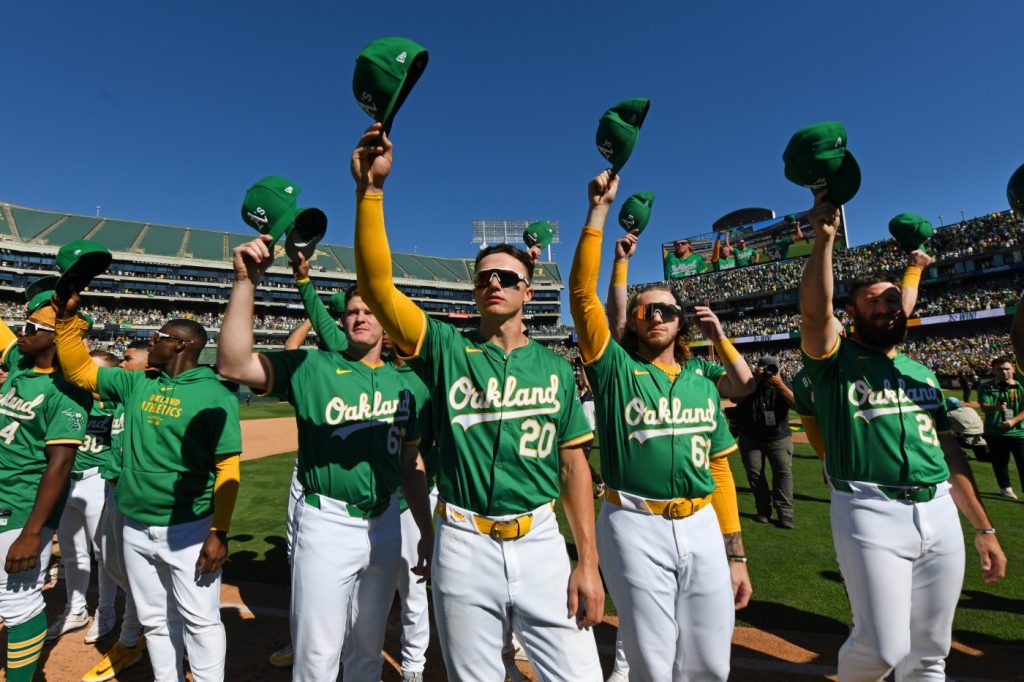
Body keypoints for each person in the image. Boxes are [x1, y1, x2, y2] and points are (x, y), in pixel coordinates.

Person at [352, 122, 604, 681]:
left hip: (540, 539)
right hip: (464, 540)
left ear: (527, 290)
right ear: (475, 289)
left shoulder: (557, 370)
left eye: (508, 277)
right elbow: (376, 287)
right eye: (485, 275)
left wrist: (586, 559)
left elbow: (573, 466)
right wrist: (371, 193)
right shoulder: (443, 348)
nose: (495, 282)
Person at [800, 190, 1005, 680]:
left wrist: (983, 526)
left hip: (938, 508)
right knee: (882, 648)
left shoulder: (921, 374)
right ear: (849, 313)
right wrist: (823, 244)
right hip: (870, 509)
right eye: (873, 300)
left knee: (932, 650)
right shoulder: (835, 362)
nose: (888, 306)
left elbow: (948, 452)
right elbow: (814, 313)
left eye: (894, 300)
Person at [217, 242, 432, 682]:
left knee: (368, 648)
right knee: (317, 654)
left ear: (387, 321)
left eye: (370, 310)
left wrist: (426, 533)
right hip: (328, 521)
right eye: (352, 310)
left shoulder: (411, 385)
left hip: (387, 522)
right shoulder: (311, 366)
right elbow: (234, 364)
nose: (359, 316)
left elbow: (411, 463)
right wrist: (245, 282)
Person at [570, 169, 751, 682]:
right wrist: (599, 215)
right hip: (633, 523)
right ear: (634, 321)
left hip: (701, 525)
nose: (656, 316)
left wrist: (735, 551)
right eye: (646, 310)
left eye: (667, 309)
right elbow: (584, 298)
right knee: (651, 659)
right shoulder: (616, 372)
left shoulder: (699, 380)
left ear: (681, 321)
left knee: (713, 664)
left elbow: (719, 471)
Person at [55, 293, 242, 682]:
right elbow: (78, 371)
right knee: (156, 619)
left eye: (157, 337)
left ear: (181, 345)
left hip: (189, 528)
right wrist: (67, 321)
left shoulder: (215, 395)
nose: (149, 342)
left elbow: (227, 467)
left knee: (201, 621)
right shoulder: (136, 383)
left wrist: (219, 531)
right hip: (135, 524)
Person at [0, 292, 91, 682]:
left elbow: (60, 465)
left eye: (32, 328)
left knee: (17, 603)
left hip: (22, 508)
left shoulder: (69, 390)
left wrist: (32, 534)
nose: (22, 333)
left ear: (56, 339)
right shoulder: (21, 365)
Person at [81, 341, 150, 682]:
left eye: (128, 359)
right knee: (109, 562)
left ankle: (130, 639)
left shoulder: (145, 395)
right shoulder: (117, 398)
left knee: (134, 571)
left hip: (135, 497)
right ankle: (144, 621)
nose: (123, 364)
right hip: (111, 490)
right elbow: (86, 384)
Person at [47, 351, 121, 643]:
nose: (88, 375)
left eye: (96, 370)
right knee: (71, 553)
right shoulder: (70, 399)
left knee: (103, 555)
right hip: (68, 482)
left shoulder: (117, 404)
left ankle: (106, 611)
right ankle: (75, 610)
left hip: (97, 480)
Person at [734, 355, 796, 528]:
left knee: (783, 473)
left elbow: (797, 404)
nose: (769, 373)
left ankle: (785, 514)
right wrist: (753, 381)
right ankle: (763, 511)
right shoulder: (750, 384)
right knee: (755, 475)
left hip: (779, 437)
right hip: (751, 438)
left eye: (772, 370)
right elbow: (734, 399)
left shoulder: (783, 384)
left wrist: (780, 385)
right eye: (765, 369)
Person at [977, 355, 1024, 499]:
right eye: (1000, 369)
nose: (1004, 372)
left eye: (1007, 369)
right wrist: (996, 408)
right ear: (994, 370)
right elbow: (985, 407)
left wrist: (1013, 421)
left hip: (1019, 433)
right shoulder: (986, 387)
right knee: (1000, 463)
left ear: (1013, 369)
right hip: (995, 432)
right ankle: (1005, 488)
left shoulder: (1021, 386)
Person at [945, 396, 989, 463]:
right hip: (982, 439)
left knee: (944, 436)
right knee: (983, 458)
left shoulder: (949, 415)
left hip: (966, 441)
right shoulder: (970, 409)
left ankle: (960, 454)